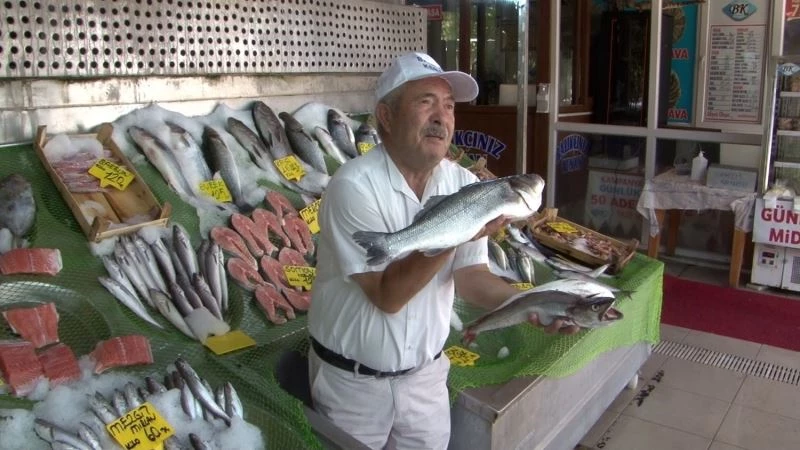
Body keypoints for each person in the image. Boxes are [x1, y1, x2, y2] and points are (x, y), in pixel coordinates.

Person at [307, 51, 578, 449]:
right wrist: (454, 235)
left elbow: (472, 278)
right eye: (426, 102)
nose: (441, 117)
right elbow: (387, 296)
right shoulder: (353, 186)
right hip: (353, 387)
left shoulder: (464, 185)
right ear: (386, 116)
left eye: (449, 106)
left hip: (426, 381)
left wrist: (534, 303)